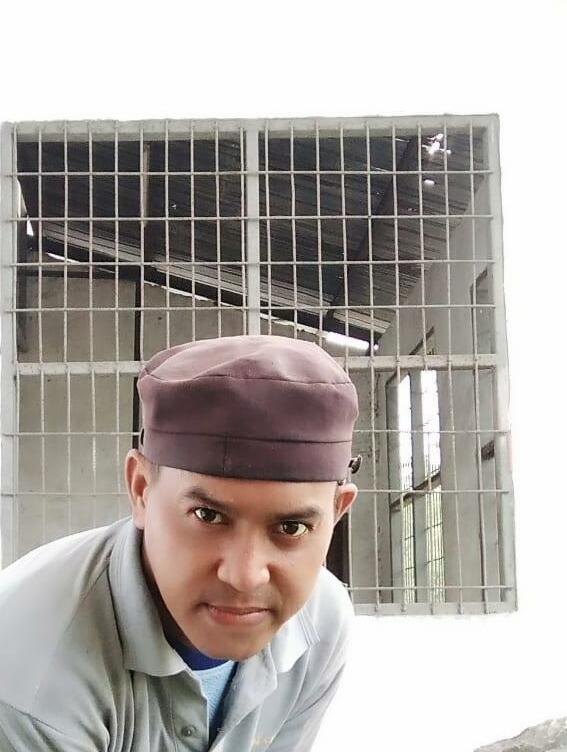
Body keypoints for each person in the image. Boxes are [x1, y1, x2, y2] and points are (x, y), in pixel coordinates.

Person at [0, 334, 361, 751]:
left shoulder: (320, 623)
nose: (245, 576)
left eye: (292, 528)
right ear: (141, 489)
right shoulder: (29, 672)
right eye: (208, 516)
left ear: (337, 512)